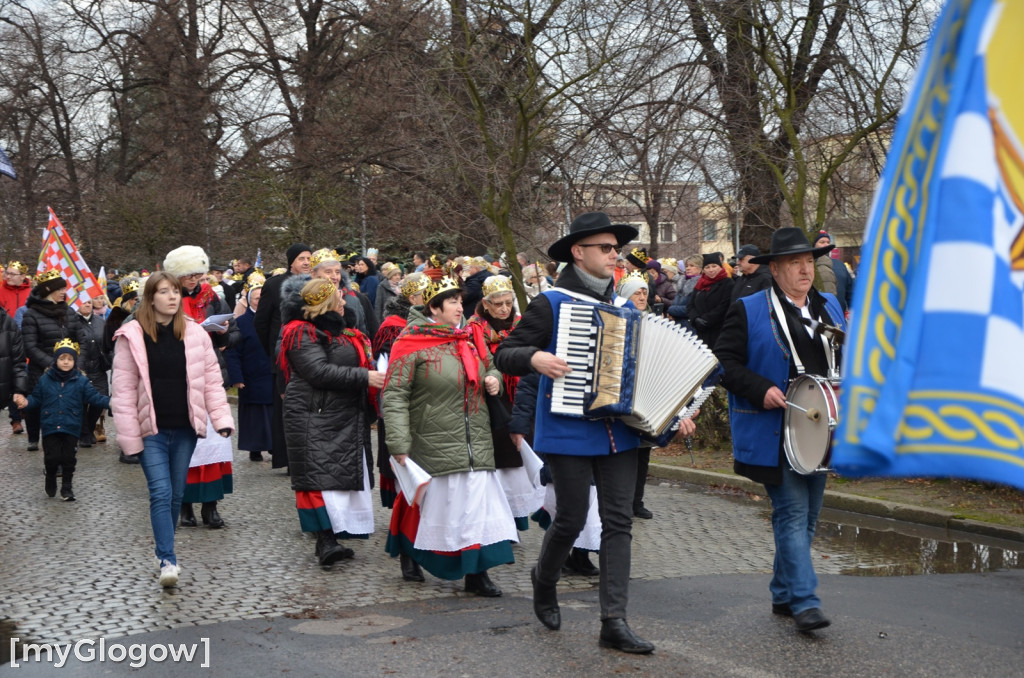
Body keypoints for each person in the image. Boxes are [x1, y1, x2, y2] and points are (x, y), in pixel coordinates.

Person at [493, 212, 696, 654]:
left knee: (618, 522)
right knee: (569, 518)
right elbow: (505, 353)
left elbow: (650, 369)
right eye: (605, 248)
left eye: (615, 248)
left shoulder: (628, 309)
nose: (613, 255)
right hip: (566, 429)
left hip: (619, 432)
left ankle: (614, 621)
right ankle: (543, 579)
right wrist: (535, 359)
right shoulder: (551, 303)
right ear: (577, 252)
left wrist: (672, 410)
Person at [714, 227, 846, 634]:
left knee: (808, 517)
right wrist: (761, 389)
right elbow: (723, 363)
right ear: (775, 269)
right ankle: (806, 601)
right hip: (775, 430)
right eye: (794, 263)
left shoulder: (829, 306)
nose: (805, 269)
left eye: (808, 261)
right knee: (791, 513)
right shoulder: (750, 308)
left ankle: (783, 592)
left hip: (821, 429)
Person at [382, 276, 516, 596]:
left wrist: (494, 379)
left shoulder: (469, 336)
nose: (460, 307)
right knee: (426, 503)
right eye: (453, 302)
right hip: (432, 436)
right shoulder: (409, 341)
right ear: (434, 308)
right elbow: (395, 395)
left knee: (476, 506)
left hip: (476, 437)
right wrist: (399, 444)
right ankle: (408, 550)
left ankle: (476, 572)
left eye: (460, 301)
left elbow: (490, 366)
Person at [111, 272, 234, 587]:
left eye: (175, 292)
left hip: (184, 428)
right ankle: (167, 558)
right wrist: (130, 440)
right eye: (164, 292)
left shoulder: (195, 333)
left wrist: (220, 419)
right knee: (161, 492)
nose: (172, 297)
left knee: (177, 494)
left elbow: (211, 382)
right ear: (150, 297)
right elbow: (122, 393)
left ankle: (163, 548)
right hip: (150, 429)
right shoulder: (132, 335)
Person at [279, 278, 384, 567]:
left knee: (336, 476)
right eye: (338, 299)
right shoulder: (300, 331)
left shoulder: (342, 329)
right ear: (326, 305)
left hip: (341, 412)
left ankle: (334, 536)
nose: (344, 302)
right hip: (314, 414)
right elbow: (318, 371)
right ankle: (325, 540)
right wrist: (365, 377)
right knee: (318, 479)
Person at [162, 245, 240, 529]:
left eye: (198, 274)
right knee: (185, 445)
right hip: (176, 377)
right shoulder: (161, 298)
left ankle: (211, 505)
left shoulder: (212, 297)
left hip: (209, 371)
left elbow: (233, 330)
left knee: (214, 443)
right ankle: (184, 506)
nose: (194, 280)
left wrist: (223, 335)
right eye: (189, 275)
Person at [465, 275, 544, 532]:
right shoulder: (474, 327)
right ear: (485, 304)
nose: (504, 309)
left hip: (522, 393)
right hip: (494, 399)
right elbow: (477, 360)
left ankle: (522, 513)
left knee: (522, 452)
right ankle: (502, 518)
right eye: (498, 303)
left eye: (508, 303)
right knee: (501, 457)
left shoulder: (522, 324)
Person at [21, 340, 109, 501]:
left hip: (71, 425)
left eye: (70, 359)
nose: (66, 362)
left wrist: (111, 402)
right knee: (52, 457)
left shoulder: (81, 381)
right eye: (62, 358)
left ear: (75, 361)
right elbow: (36, 398)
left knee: (69, 458)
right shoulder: (45, 379)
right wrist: (26, 403)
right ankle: (51, 476)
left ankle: (67, 487)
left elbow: (94, 397)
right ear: (56, 360)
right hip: (50, 425)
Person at [371, 272, 430, 515]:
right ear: (413, 297)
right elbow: (387, 373)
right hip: (401, 400)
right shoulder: (393, 326)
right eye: (426, 296)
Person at [254, 243, 311, 469]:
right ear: (291, 262)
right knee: (285, 410)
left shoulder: (314, 285)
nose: (306, 262)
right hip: (283, 356)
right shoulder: (275, 284)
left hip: (309, 353)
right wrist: (273, 350)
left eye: (308, 258)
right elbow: (262, 322)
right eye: (301, 259)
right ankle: (287, 458)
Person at [21, 270, 87, 452]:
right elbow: (30, 346)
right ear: (48, 290)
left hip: (70, 371)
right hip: (43, 372)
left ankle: (67, 445)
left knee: (68, 408)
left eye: (64, 288)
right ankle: (37, 439)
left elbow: (82, 340)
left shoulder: (69, 311)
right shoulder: (31, 315)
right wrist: (52, 364)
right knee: (42, 409)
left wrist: (77, 364)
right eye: (60, 288)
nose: (64, 292)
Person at [614, 272, 657, 520]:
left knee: (644, 452)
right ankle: (621, 500)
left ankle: (637, 501)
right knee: (625, 452)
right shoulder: (618, 320)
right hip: (626, 392)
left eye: (644, 292)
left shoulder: (654, 321)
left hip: (647, 392)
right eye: (636, 292)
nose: (641, 296)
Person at [224, 272, 274, 462]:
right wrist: (236, 377)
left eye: (263, 298)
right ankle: (255, 447)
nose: (259, 302)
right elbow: (233, 352)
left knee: (271, 413)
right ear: (249, 300)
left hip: (268, 373)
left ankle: (272, 445)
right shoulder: (241, 322)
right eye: (256, 298)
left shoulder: (272, 320)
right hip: (250, 375)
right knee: (254, 415)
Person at [1, 261, 31, 435]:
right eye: (7, 273)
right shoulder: (1, 291)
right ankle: (15, 419)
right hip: (6, 340)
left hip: (25, 341)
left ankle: (25, 408)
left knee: (24, 377)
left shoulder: (31, 293)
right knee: (11, 378)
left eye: (12, 273)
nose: (8, 276)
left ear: (22, 276)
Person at [75, 296, 109, 448]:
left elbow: (107, 342)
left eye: (89, 302)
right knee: (81, 401)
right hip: (81, 367)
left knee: (100, 399)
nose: (87, 305)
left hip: (98, 367)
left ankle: (87, 429)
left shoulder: (100, 322)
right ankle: (84, 434)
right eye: (84, 302)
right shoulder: (72, 322)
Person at [688, 253, 734, 350]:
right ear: (703, 269)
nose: (711, 270)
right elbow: (690, 305)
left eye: (714, 266)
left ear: (720, 267)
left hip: (719, 331)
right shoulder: (700, 283)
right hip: (701, 332)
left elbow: (724, 305)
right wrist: (695, 318)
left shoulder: (728, 283)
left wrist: (706, 319)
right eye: (707, 267)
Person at [814, 232, 854, 311]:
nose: (826, 245)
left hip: (839, 314)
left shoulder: (840, 265)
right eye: (822, 242)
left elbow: (851, 293)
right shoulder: (810, 265)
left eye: (828, 242)